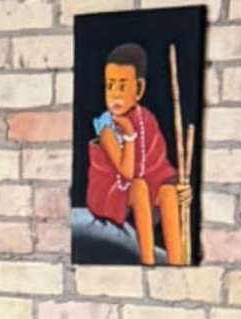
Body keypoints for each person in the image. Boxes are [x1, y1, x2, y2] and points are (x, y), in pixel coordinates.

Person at [75, 40, 190, 263]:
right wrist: (128, 135)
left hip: (142, 188)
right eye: (109, 86)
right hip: (110, 193)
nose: (114, 95)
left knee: (167, 192)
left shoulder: (146, 119)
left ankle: (177, 261)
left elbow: (158, 166)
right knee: (138, 186)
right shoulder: (108, 127)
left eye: (122, 86)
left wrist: (180, 187)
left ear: (138, 89)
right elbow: (126, 173)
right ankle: (147, 260)